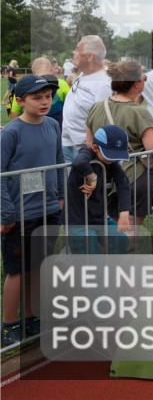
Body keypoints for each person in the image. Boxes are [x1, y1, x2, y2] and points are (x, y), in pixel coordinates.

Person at [0, 75, 64, 346]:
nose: (44, 102)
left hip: (48, 209)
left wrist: (59, 196)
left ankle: (31, 317)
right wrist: (6, 212)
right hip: (20, 213)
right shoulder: (10, 132)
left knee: (38, 265)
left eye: (48, 96)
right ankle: (8, 324)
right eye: (37, 97)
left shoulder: (52, 125)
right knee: (17, 270)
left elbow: (59, 160)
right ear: (20, 100)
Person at [84, 61, 153, 227]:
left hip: (105, 177)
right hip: (134, 175)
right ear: (136, 84)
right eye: (144, 78)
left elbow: (89, 143)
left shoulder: (97, 107)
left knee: (109, 226)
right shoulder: (139, 111)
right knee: (130, 227)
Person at [66, 125, 132, 254]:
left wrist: (124, 213)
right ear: (95, 148)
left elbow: (123, 185)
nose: (114, 159)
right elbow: (79, 162)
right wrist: (92, 177)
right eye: (111, 155)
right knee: (89, 251)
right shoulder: (87, 153)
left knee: (120, 240)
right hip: (78, 220)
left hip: (100, 218)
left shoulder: (112, 164)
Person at [61, 36, 112, 163]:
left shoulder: (104, 83)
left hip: (85, 148)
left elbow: (103, 120)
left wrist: (91, 146)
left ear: (90, 56)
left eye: (78, 49)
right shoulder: (84, 73)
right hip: (68, 142)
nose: (74, 52)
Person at [10, 57, 70, 127]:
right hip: (59, 129)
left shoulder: (23, 86)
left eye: (48, 96)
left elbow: (15, 113)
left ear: (33, 72)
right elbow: (72, 109)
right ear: (51, 70)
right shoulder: (62, 84)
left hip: (33, 130)